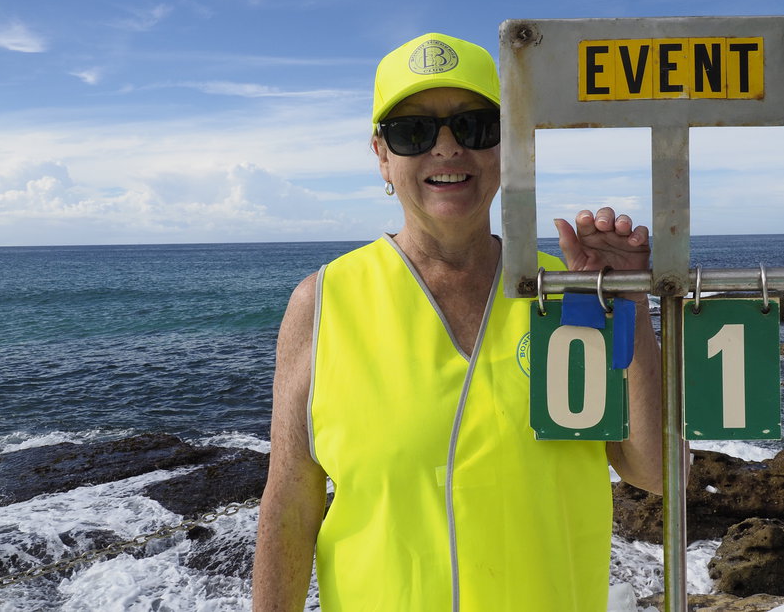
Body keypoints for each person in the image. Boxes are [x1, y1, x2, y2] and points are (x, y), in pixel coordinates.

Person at [252, 32, 663, 612]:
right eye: (413, 131)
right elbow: (290, 501)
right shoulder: (323, 302)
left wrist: (626, 300)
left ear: (509, 145)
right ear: (382, 155)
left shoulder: (567, 291)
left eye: (475, 126)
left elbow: (656, 472)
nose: (446, 149)